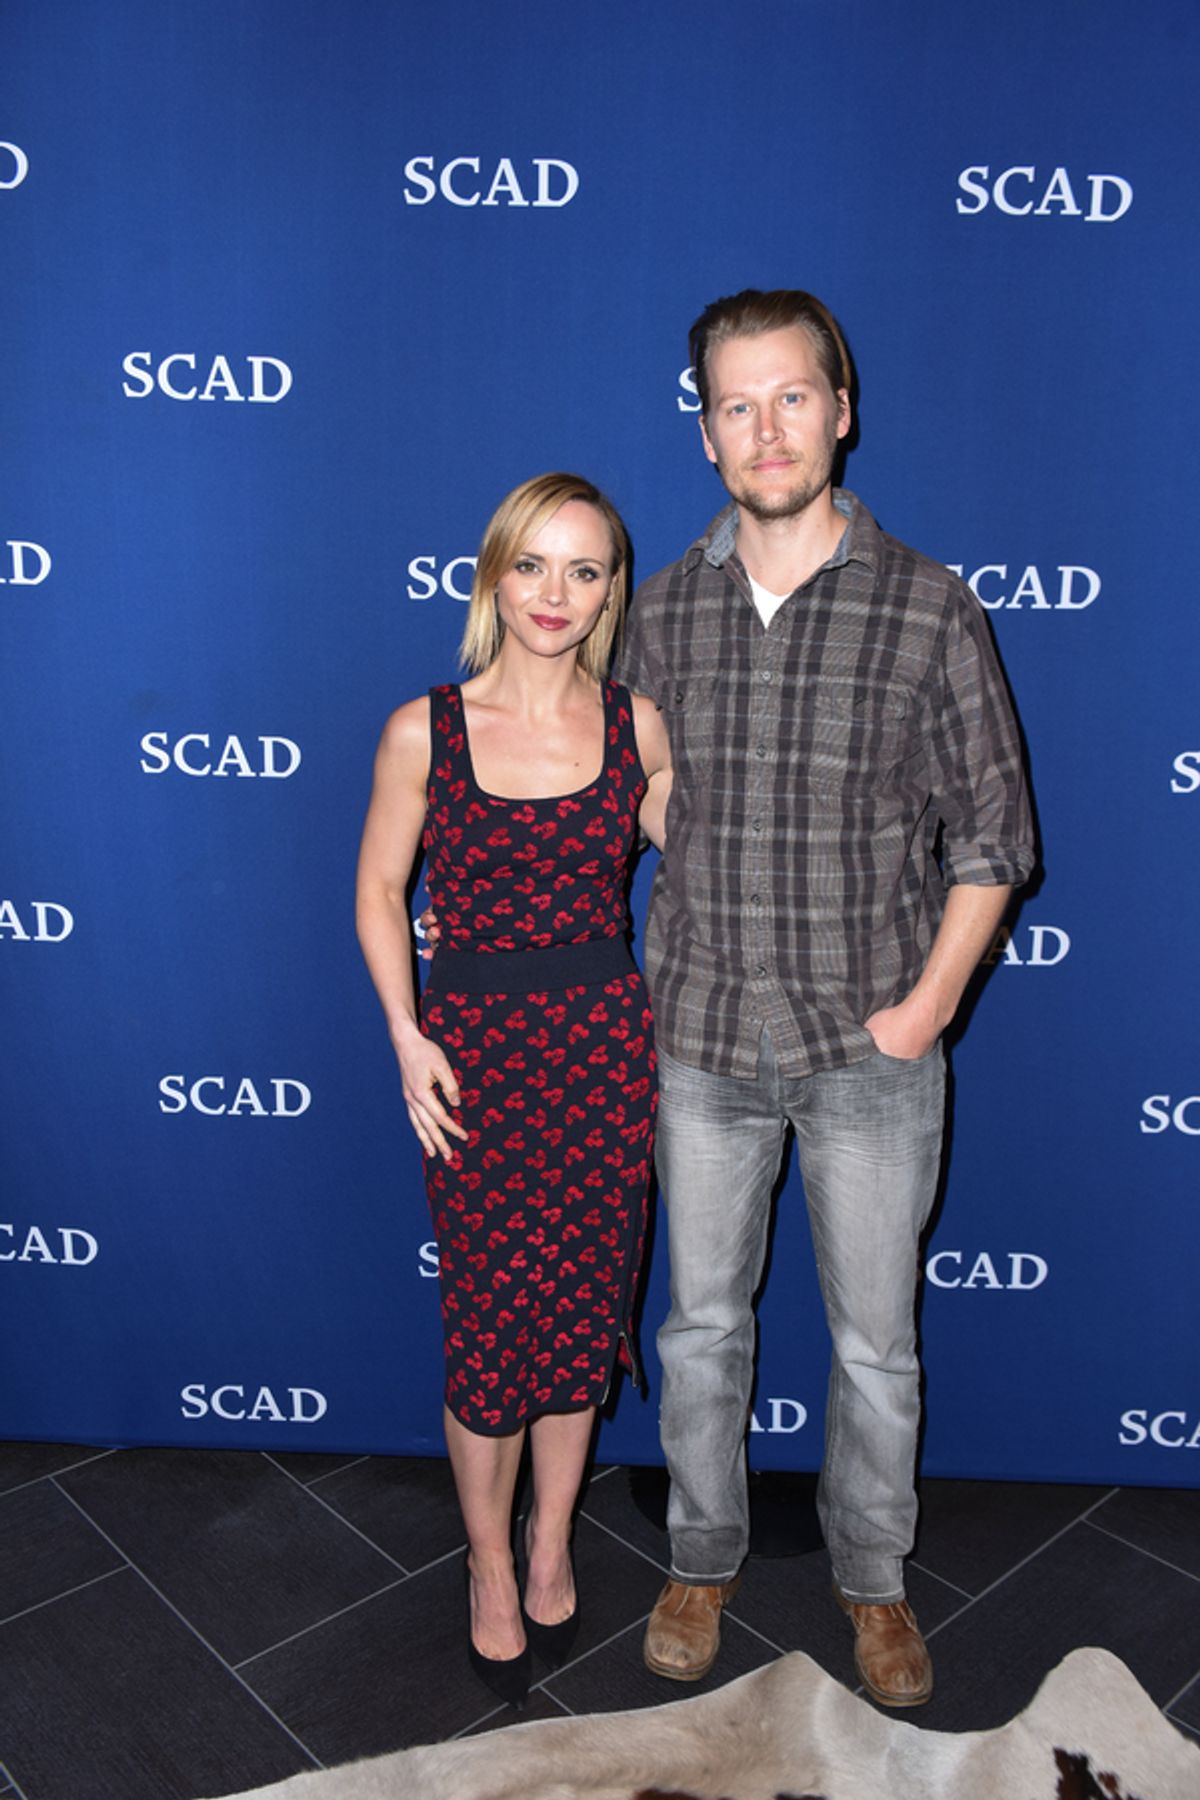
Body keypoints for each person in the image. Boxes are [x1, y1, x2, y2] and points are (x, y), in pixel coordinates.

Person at [618, 290, 1035, 1707]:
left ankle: (874, 1583)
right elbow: (636, 776)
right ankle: (700, 1557)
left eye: (790, 396)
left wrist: (920, 1014)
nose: (764, 428)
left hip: (872, 1050)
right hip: (704, 1042)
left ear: (839, 410)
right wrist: (673, 807)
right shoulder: (660, 607)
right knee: (699, 1332)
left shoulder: (931, 607)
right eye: (734, 404)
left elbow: (993, 843)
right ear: (708, 430)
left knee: (874, 1348)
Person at [356, 472, 671, 1710]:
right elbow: (384, 892)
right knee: (492, 1332)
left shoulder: (639, 727)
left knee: (583, 1318)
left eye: (585, 570)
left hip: (604, 1052)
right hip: (473, 1059)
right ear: (493, 573)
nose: (557, 594)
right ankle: (488, 1560)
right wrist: (404, 1032)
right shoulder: (422, 728)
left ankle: (553, 1540)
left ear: (610, 591)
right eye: (534, 565)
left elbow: (713, 853)